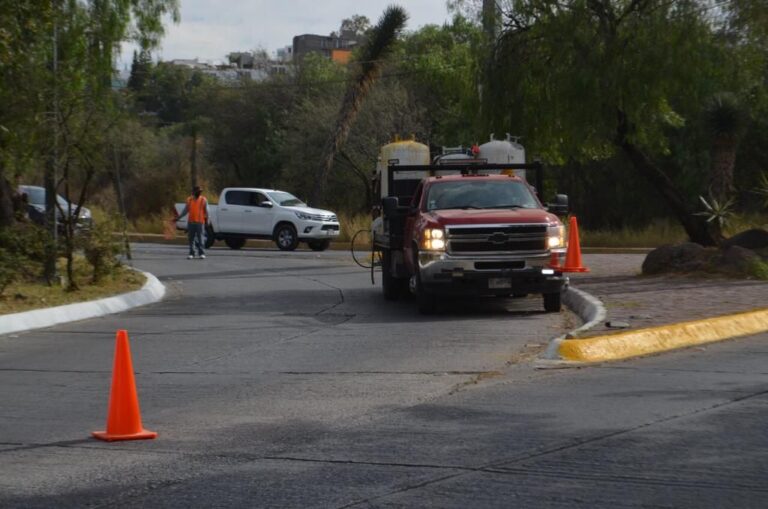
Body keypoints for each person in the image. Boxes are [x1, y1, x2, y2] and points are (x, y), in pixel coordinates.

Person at [177, 185, 209, 259]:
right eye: (198, 191)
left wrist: (207, 220)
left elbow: (207, 211)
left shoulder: (203, 200)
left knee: (201, 238)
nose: (199, 193)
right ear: (194, 192)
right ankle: (192, 253)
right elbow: (185, 210)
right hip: (191, 222)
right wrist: (178, 217)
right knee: (191, 238)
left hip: (200, 222)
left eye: (200, 191)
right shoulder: (189, 200)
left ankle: (201, 253)